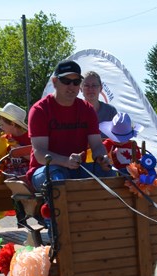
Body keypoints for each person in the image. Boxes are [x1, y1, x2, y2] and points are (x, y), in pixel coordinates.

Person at [28, 60, 112, 190]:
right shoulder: (40, 110)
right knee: (57, 179)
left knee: (109, 173)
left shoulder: (87, 109)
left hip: (78, 168)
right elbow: (40, 153)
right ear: (55, 82)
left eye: (76, 82)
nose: (71, 86)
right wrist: (65, 161)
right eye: (66, 81)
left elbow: (96, 145)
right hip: (46, 170)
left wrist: (102, 158)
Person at [0, 102, 31, 184]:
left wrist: (17, 146)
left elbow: (36, 159)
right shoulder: (3, 140)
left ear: (12, 124)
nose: (1, 127)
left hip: (27, 177)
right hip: (9, 178)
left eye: (2, 124)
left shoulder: (30, 138)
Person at [81, 71, 117, 137]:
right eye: (86, 85)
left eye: (94, 85)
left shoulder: (110, 111)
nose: (90, 89)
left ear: (100, 88)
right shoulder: (74, 110)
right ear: (81, 88)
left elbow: (117, 137)